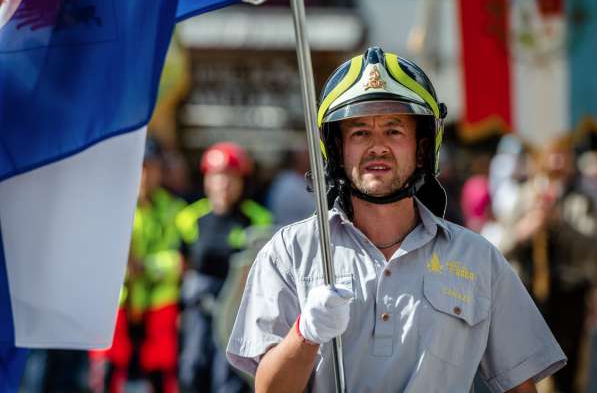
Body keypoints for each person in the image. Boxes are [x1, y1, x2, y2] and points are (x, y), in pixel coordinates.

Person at [226, 47, 566, 392]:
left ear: (421, 148)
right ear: (337, 149)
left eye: (393, 131)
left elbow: (519, 385)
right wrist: (305, 332)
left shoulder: (478, 259)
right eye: (359, 132)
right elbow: (268, 389)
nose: (378, 146)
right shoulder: (290, 252)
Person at [499, 137, 597, 393]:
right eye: (552, 154)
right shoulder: (525, 194)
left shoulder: (583, 198)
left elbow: (591, 248)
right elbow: (502, 245)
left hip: (570, 291)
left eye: (563, 155)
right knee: (529, 368)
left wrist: (558, 223)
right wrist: (527, 228)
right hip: (530, 291)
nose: (557, 162)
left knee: (569, 367)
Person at [176, 142, 272, 393]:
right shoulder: (190, 218)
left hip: (236, 311)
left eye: (230, 177)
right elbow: (182, 266)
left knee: (228, 377)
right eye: (217, 177)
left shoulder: (257, 220)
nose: (224, 184)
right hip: (199, 310)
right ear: (207, 180)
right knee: (192, 369)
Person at [93, 137, 185, 393]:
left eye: (150, 167)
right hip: (118, 306)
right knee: (106, 374)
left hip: (156, 307)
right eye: (138, 167)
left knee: (161, 375)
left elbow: (177, 261)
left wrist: (145, 266)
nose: (144, 175)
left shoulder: (174, 209)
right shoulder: (110, 208)